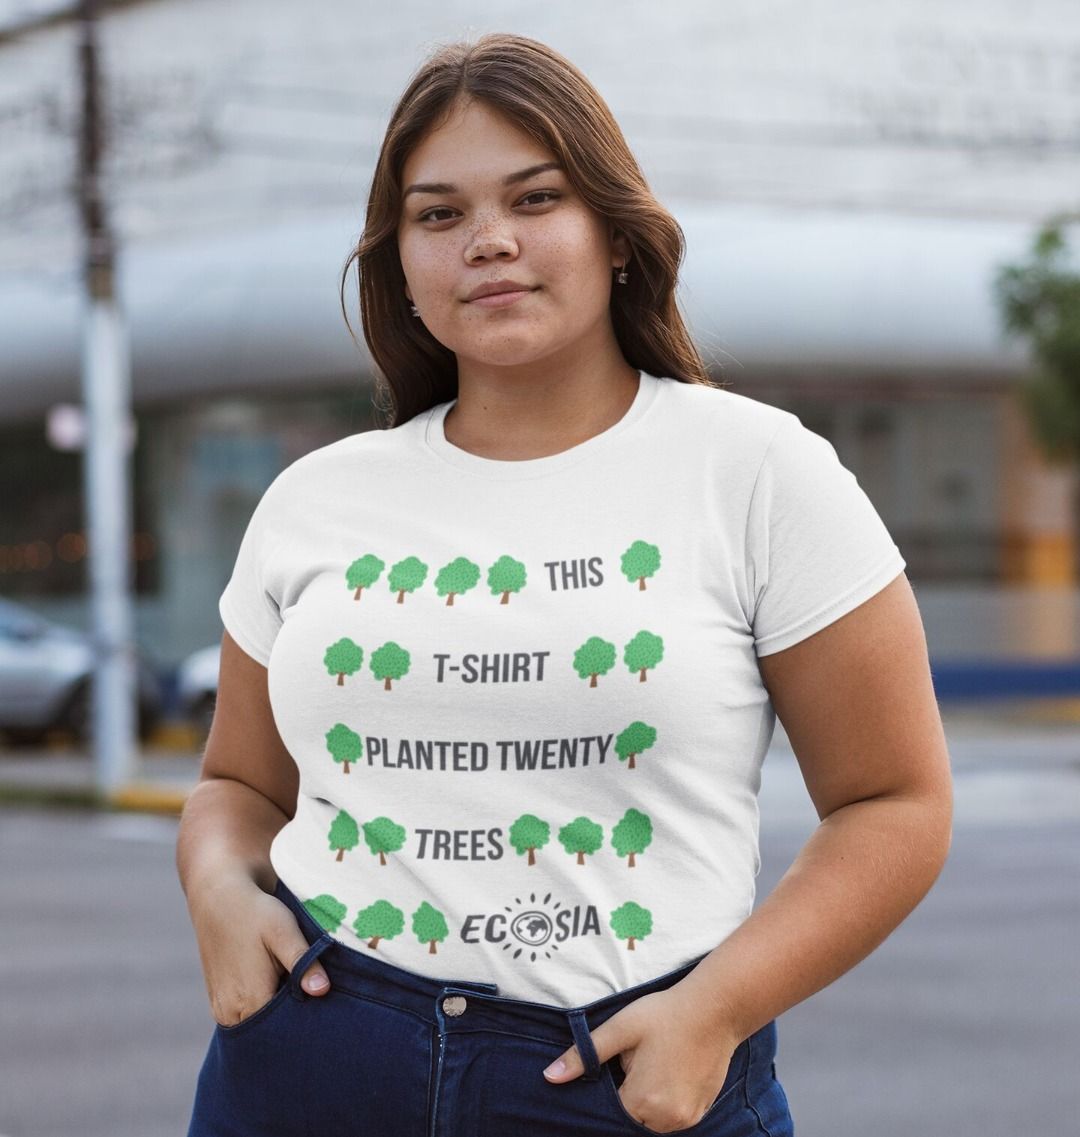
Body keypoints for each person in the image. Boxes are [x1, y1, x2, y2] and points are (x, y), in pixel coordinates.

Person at [179, 31, 953, 1137]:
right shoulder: (315, 498)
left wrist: (715, 1012)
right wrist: (214, 890)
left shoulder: (757, 470)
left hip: (624, 1079)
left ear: (616, 233)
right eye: (438, 214)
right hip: (314, 1058)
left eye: (535, 199)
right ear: (400, 260)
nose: (488, 241)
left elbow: (897, 803)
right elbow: (238, 787)